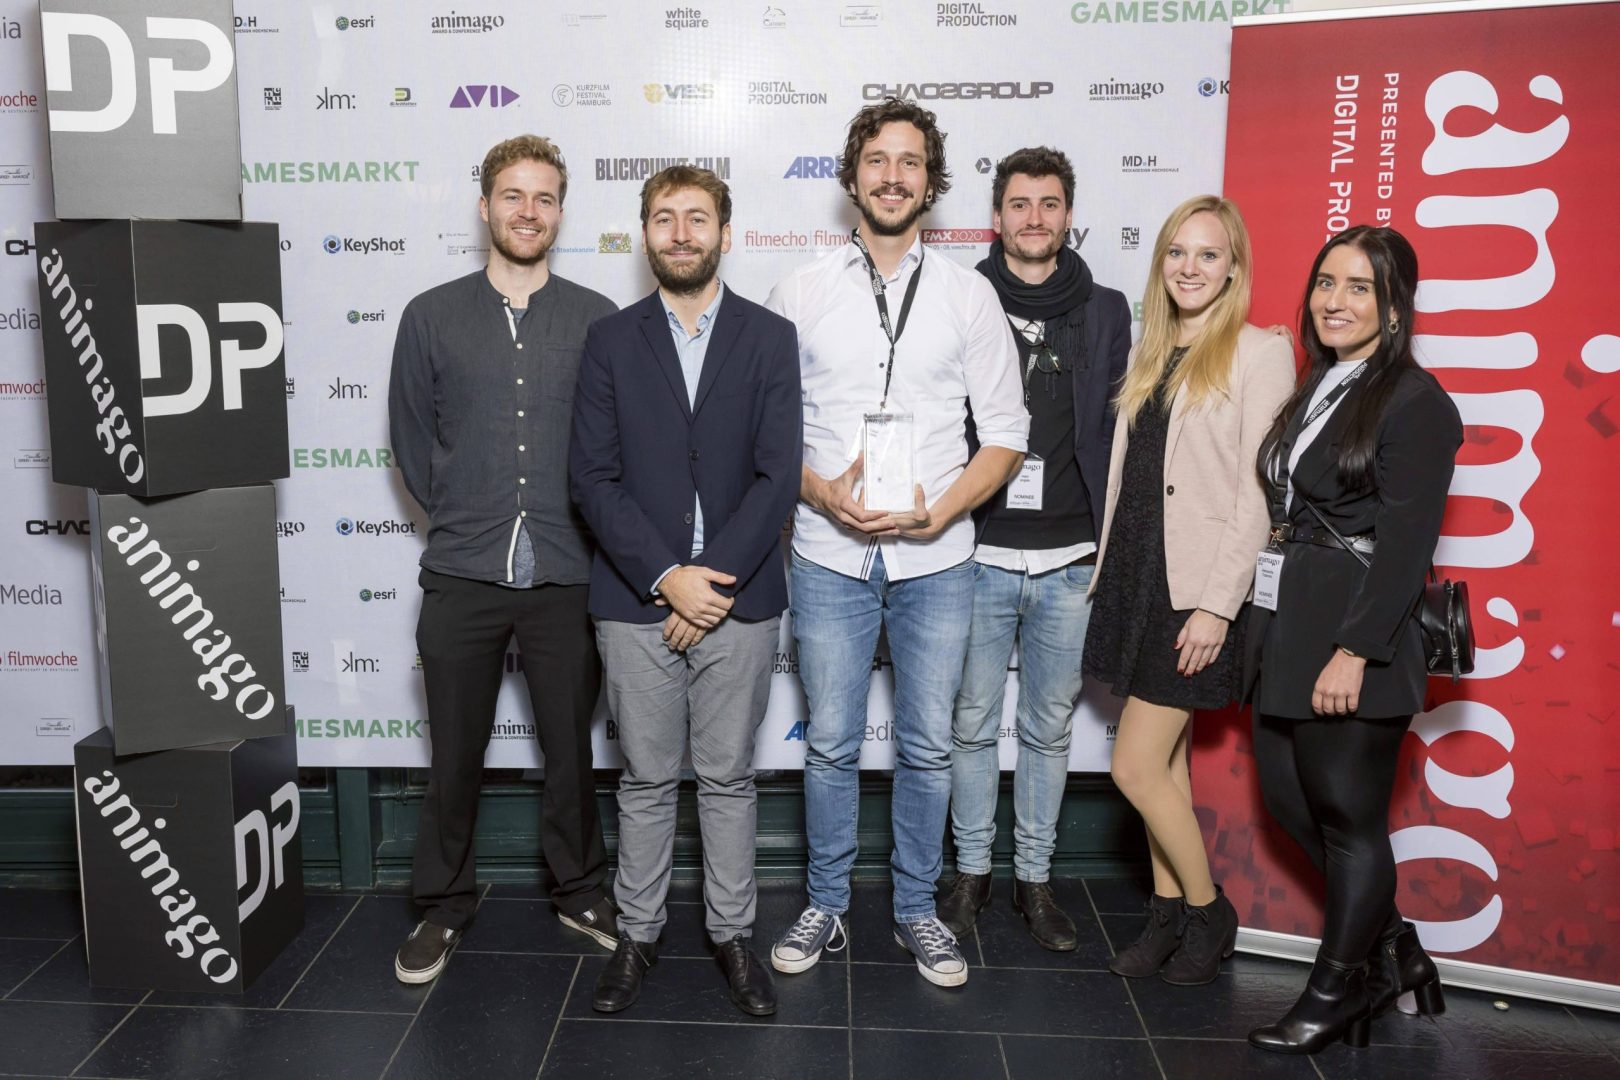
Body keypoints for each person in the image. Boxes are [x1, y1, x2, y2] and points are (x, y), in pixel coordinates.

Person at [765, 97, 1028, 987]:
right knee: (831, 745)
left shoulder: (969, 295)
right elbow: (766, 436)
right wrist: (821, 492)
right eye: (876, 159)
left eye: (910, 161)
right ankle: (825, 903)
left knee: (927, 747)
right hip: (826, 553)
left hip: (937, 560)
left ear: (931, 181)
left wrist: (942, 511)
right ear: (852, 177)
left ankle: (918, 908)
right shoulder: (800, 292)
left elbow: (1005, 435)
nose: (892, 175)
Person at [569, 166, 802, 1016]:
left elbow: (778, 475)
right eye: (663, 218)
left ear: (724, 234)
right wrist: (670, 579)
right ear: (645, 235)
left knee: (730, 778)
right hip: (637, 601)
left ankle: (733, 937)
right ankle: (637, 935)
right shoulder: (610, 339)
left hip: (740, 600)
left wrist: (711, 583)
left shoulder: (770, 337)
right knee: (644, 779)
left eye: (696, 218)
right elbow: (592, 477)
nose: (680, 233)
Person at [387, 135, 619, 984]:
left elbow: (613, 445)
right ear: (484, 206)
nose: (529, 211)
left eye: (545, 197)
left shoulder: (597, 317)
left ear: (560, 212)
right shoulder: (430, 315)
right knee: (454, 754)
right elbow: (413, 442)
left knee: (570, 753)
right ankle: (443, 903)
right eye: (513, 196)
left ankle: (580, 890)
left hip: (568, 571)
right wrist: (466, 515)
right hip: (463, 570)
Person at [1245, 225, 1460, 1054]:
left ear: (1395, 306)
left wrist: (1356, 651)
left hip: (1354, 637)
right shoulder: (1322, 383)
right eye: (1326, 283)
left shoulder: (1416, 403)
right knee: (1289, 803)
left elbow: (1406, 546)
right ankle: (1396, 949)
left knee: (1348, 820)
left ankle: (1336, 991)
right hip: (1290, 626)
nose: (1334, 301)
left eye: (1359, 288)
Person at [1083, 195, 1293, 986]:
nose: (1190, 268)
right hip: (1138, 573)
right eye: (1177, 252)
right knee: (1166, 767)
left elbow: (1259, 496)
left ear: (1234, 268)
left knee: (1133, 766)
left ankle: (1209, 911)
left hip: (1195, 590)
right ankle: (1167, 916)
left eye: (1208, 254)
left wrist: (1217, 605)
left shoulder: (1259, 353)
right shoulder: (1154, 350)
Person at [936, 147, 1131, 950]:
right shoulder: (959, 296)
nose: (1034, 218)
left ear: (1068, 215)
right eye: (1019, 204)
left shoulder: (1108, 310)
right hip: (978, 550)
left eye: (1049, 204)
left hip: (1072, 557)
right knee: (972, 723)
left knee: (1049, 729)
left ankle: (1036, 880)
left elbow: (1122, 428)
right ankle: (972, 872)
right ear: (997, 216)